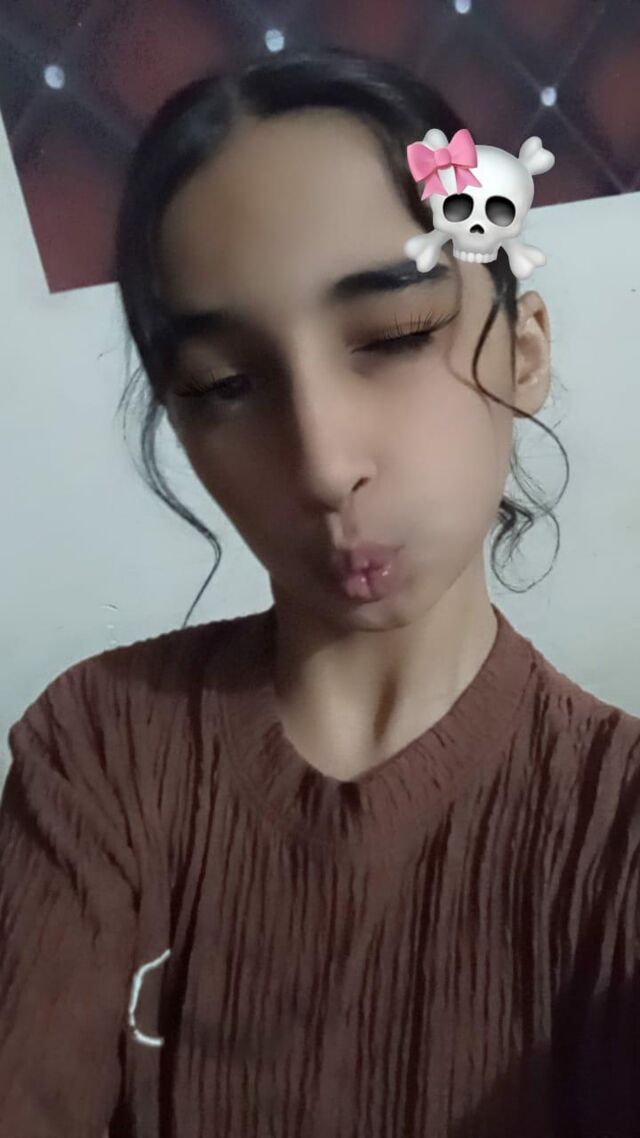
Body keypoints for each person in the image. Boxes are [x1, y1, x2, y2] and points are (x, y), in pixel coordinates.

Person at [1, 44, 639, 1138]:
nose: (322, 463)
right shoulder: (97, 749)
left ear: (524, 351)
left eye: (394, 336)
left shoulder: (614, 823)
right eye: (224, 386)